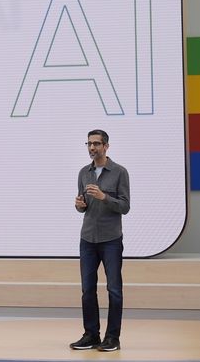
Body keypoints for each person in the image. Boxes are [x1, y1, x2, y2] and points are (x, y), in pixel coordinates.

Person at [69, 129, 130, 352]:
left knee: (114, 289)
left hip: (111, 239)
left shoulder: (119, 172)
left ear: (106, 146)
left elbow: (125, 206)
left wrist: (104, 197)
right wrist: (79, 205)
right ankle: (91, 334)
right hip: (87, 239)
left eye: (96, 144)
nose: (92, 148)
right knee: (87, 289)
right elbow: (81, 205)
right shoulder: (84, 173)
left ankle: (112, 337)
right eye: (89, 144)